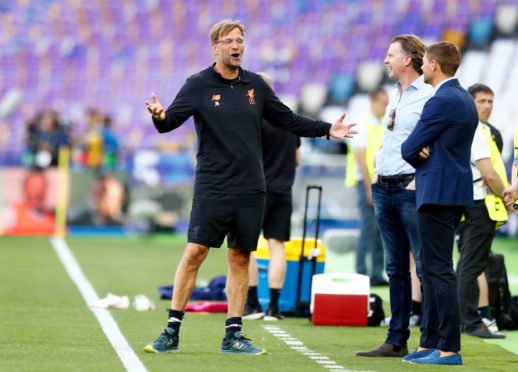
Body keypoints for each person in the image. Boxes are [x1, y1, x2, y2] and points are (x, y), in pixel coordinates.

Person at [143, 19, 356, 355]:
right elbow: (168, 123)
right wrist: (158, 116)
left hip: (253, 189)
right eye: (229, 41)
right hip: (213, 187)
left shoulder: (256, 85)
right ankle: (171, 330)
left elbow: (288, 120)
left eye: (240, 40)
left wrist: (328, 129)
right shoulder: (197, 84)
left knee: (241, 257)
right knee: (194, 253)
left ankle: (234, 334)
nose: (236, 46)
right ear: (215, 47)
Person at [400, 41, 478, 365]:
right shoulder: (463, 98)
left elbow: (408, 147)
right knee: (432, 270)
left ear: (433, 65)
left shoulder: (440, 100)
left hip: (438, 192)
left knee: (438, 271)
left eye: (426, 63)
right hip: (452, 190)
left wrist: (419, 151)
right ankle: (430, 342)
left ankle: (449, 348)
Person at [357, 34, 432, 358]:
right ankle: (396, 339)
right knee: (395, 269)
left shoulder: (429, 96)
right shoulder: (396, 95)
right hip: (385, 186)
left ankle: (429, 340)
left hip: (408, 187)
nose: (385, 60)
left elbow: (437, 143)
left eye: (390, 55)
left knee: (425, 267)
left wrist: (418, 177)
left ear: (407, 59)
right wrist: (376, 175)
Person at [242, 72, 301, 321]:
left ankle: (252, 302)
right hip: (283, 190)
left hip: (257, 190)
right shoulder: (287, 118)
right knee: (278, 247)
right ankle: (274, 307)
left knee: (247, 247)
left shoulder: (254, 119)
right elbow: (297, 160)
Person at [453, 83, 509, 341]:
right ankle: (470, 320)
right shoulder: (474, 130)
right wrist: (507, 195)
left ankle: (465, 316)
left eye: (490, 101)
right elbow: (489, 173)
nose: (487, 106)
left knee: (471, 262)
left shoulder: (487, 131)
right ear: (470, 103)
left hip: (482, 203)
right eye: (481, 101)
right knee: (470, 264)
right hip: (478, 204)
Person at [345, 87, 389, 286]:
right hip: (366, 183)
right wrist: (369, 188)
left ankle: (377, 272)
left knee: (381, 228)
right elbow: (361, 157)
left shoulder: (381, 124)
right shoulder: (363, 124)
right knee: (368, 228)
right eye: (383, 103)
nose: (386, 107)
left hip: (380, 182)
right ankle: (362, 271)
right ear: (373, 101)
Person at [2, 168, 56, 235]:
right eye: (34, 187)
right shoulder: (11, 213)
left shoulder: (53, 217)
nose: (38, 192)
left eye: (42, 187)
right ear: (24, 189)